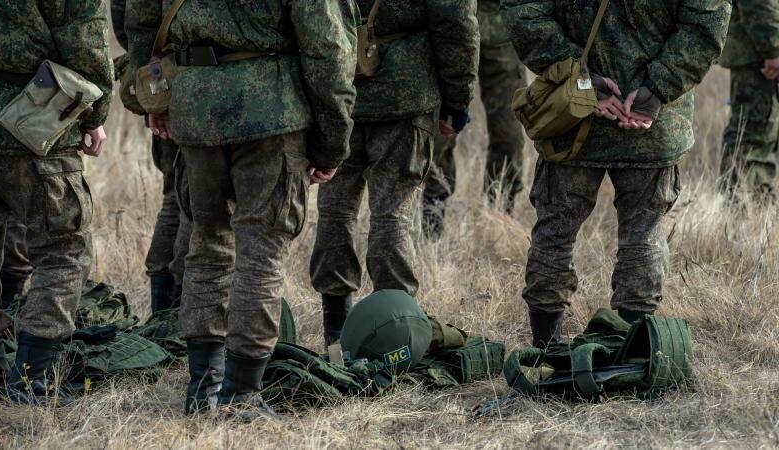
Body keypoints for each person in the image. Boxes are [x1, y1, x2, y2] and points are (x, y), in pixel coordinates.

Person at [126, 0, 357, 420]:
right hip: (271, 112)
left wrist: (153, 99)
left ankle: (203, 390)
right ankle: (241, 394)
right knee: (261, 253)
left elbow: (140, 18)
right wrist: (332, 141)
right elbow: (327, 48)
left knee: (206, 245)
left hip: (195, 105)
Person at [501, 0, 731, 347]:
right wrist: (656, 89)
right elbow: (706, 23)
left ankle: (546, 349)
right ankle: (631, 351)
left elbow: (523, 11)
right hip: (650, 121)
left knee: (555, 231)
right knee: (644, 232)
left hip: (573, 114)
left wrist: (581, 78)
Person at [309, 0, 480, 347]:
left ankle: (335, 328)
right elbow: (457, 23)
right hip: (405, 93)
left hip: (337, 93)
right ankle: (395, 325)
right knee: (394, 212)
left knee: (335, 209)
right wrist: (457, 97)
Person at [0, 0, 113, 400]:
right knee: (64, 246)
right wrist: (95, 115)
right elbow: (86, 44)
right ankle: (32, 378)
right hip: (35, 117)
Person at [422, 0, 527, 238]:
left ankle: (499, 217)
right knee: (439, 135)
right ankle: (433, 220)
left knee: (509, 136)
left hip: (500, 30)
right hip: (448, 27)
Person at [111, 0, 189, 313]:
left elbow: (131, 25)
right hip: (199, 86)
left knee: (176, 196)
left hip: (163, 80)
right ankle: (177, 312)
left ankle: (163, 312)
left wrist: (154, 95)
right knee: (196, 206)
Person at [719, 0, 779, 198]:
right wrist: (774, 47)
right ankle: (743, 208)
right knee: (753, 134)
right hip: (758, 56)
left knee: (762, 134)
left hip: (759, 52)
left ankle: (756, 206)